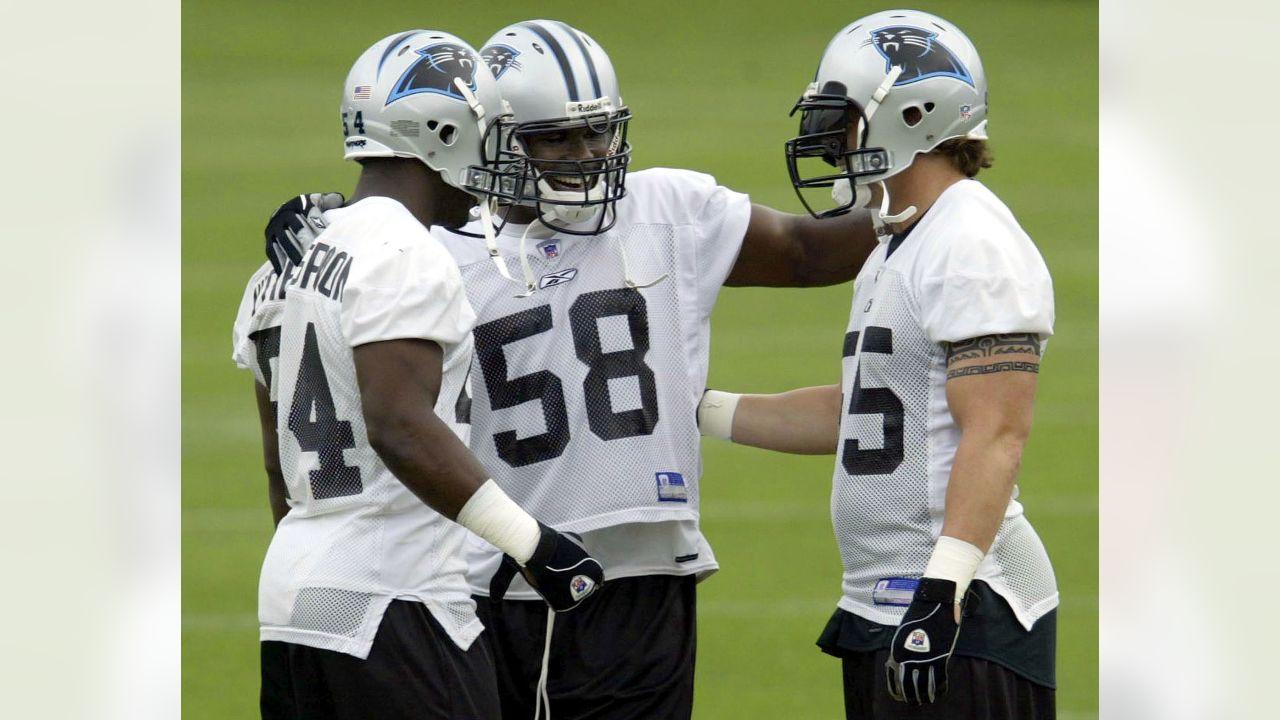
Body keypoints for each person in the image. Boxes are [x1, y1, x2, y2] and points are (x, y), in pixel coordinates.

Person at [264, 19, 878, 720]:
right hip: (508, 571)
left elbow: (809, 252)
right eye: (553, 137)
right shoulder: (435, 248)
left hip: (651, 565)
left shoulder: (666, 208)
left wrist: (923, 194)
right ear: (488, 136)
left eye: (598, 132)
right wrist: (331, 217)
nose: (587, 154)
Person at [697, 9, 1058, 719]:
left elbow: (996, 432)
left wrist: (942, 590)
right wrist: (695, 408)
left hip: (963, 604)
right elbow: (861, 409)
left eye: (846, 118)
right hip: (889, 596)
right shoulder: (899, 238)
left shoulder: (971, 242)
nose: (828, 138)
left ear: (913, 115)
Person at [237, 29, 603, 720]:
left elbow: (277, 467)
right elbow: (398, 425)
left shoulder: (281, 263)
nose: (495, 154)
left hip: (293, 597)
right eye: (487, 131)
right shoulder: (406, 250)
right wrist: (533, 543)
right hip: (392, 597)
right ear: (441, 131)